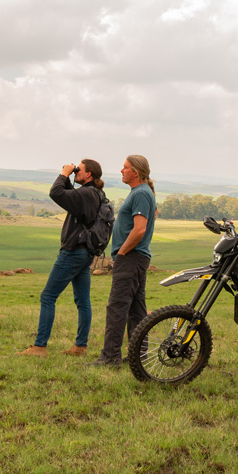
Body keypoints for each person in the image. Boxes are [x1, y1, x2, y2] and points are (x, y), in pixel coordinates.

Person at [20, 159, 108, 357]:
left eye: (79, 170)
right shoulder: (95, 193)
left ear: (89, 174)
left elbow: (56, 193)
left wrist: (64, 174)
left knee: (48, 296)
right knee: (83, 301)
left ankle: (40, 347)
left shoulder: (86, 193)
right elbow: (70, 196)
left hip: (73, 252)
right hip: (85, 253)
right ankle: (80, 347)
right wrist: (69, 178)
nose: (76, 171)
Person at [92, 154, 156, 366]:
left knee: (117, 307)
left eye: (125, 167)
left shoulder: (141, 193)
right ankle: (139, 356)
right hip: (136, 257)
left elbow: (139, 229)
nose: (121, 170)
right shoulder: (142, 192)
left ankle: (110, 357)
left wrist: (121, 253)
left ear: (135, 172)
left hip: (130, 258)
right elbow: (153, 214)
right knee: (136, 310)